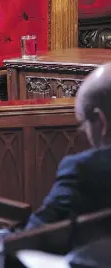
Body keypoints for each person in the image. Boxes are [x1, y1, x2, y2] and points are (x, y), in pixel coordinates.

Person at [25, 63, 111, 229]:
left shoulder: (83, 170)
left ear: (102, 121)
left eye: (83, 124)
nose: (85, 133)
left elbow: (34, 234)